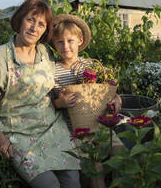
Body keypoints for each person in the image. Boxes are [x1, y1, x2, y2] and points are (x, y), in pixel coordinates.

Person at [0, 0, 80, 188]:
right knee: (49, 185)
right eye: (30, 20)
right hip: (19, 134)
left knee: (72, 182)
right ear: (20, 21)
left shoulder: (45, 53)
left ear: (45, 30)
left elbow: (67, 75)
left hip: (53, 128)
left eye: (41, 24)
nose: (34, 28)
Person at [50, 14, 123, 188]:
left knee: (120, 154)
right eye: (59, 42)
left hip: (99, 122)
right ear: (54, 44)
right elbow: (51, 103)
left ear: (80, 41)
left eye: (70, 40)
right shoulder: (53, 71)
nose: (65, 46)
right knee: (95, 166)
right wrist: (61, 102)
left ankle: (121, 183)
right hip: (74, 129)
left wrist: (116, 99)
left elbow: (106, 91)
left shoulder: (91, 66)